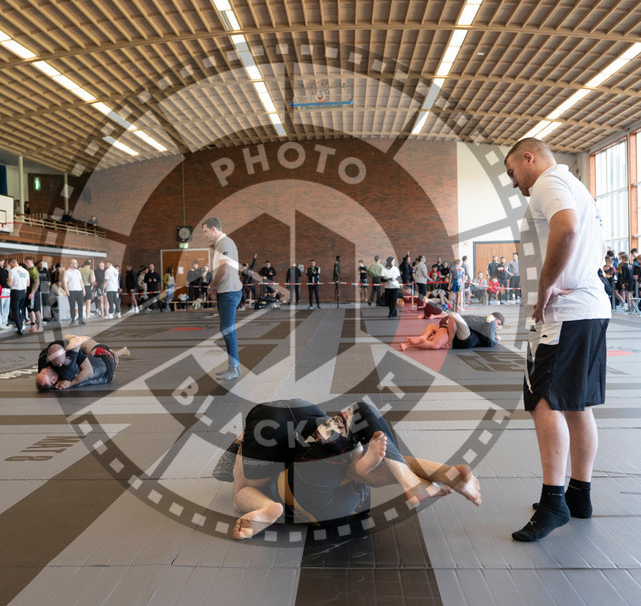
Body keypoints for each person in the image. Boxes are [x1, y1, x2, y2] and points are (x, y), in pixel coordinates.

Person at [505, 137, 610, 542]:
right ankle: (578, 494)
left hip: (565, 314)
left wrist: (547, 284)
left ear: (529, 158)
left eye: (513, 172)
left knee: (544, 401)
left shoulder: (548, 182)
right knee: (575, 405)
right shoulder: (578, 188)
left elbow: (566, 228)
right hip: (590, 307)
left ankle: (554, 503)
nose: (514, 182)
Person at [224, 399, 481, 539]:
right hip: (346, 491)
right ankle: (426, 476)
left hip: (316, 492)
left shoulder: (257, 443)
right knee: (362, 419)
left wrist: (263, 502)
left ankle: (390, 473)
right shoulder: (315, 438)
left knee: (244, 489)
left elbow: (241, 494)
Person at [203, 217, 243, 380]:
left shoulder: (225, 243)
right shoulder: (220, 245)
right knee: (227, 330)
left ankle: (234, 368)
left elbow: (224, 271)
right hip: (225, 292)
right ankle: (234, 367)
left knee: (228, 330)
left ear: (214, 229)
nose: (204, 235)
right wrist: (215, 288)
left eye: (205, 231)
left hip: (229, 293)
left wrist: (211, 286)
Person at [35, 335, 130, 391]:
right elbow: (77, 341)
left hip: (107, 378)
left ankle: (117, 354)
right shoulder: (68, 364)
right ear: (53, 380)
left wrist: (70, 384)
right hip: (105, 359)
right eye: (43, 373)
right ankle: (115, 354)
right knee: (85, 343)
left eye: (40, 372)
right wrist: (68, 337)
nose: (42, 370)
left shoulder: (52, 379)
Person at [400, 306, 504, 351]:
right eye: (498, 323)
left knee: (434, 333)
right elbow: (489, 340)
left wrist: (496, 337)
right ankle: (413, 343)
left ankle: (419, 339)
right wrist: (449, 342)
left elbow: (489, 336)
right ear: (494, 318)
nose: (497, 326)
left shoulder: (486, 324)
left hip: (449, 324)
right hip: (452, 323)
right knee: (436, 344)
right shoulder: (489, 321)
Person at [7, 257, 31, 334]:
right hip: (23, 292)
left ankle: (19, 328)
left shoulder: (12, 271)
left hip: (15, 292)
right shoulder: (25, 271)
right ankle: (21, 325)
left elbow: (9, 284)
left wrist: (7, 281)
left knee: (15, 311)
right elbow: (28, 284)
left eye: (10, 265)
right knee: (21, 310)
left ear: (11, 263)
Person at [62, 259, 86, 324]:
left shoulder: (78, 272)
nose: (77, 264)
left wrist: (83, 289)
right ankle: (73, 319)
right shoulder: (67, 272)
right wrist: (66, 290)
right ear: (71, 264)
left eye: (77, 263)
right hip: (71, 291)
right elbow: (65, 282)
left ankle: (81, 319)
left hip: (79, 291)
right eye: (75, 263)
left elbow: (81, 281)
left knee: (80, 305)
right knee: (72, 306)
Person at [24, 257, 43, 332]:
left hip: (34, 292)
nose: (26, 264)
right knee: (30, 309)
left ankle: (40, 326)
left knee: (36, 309)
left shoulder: (34, 270)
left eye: (27, 262)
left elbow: (37, 282)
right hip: (29, 291)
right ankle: (33, 326)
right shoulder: (28, 270)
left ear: (32, 262)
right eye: (25, 262)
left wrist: (32, 292)